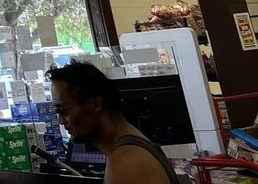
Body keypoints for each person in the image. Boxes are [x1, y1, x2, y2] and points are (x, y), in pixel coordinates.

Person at [47, 61, 183, 184]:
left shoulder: (126, 163)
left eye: (62, 110)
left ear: (95, 104)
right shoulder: (130, 147)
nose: (60, 120)